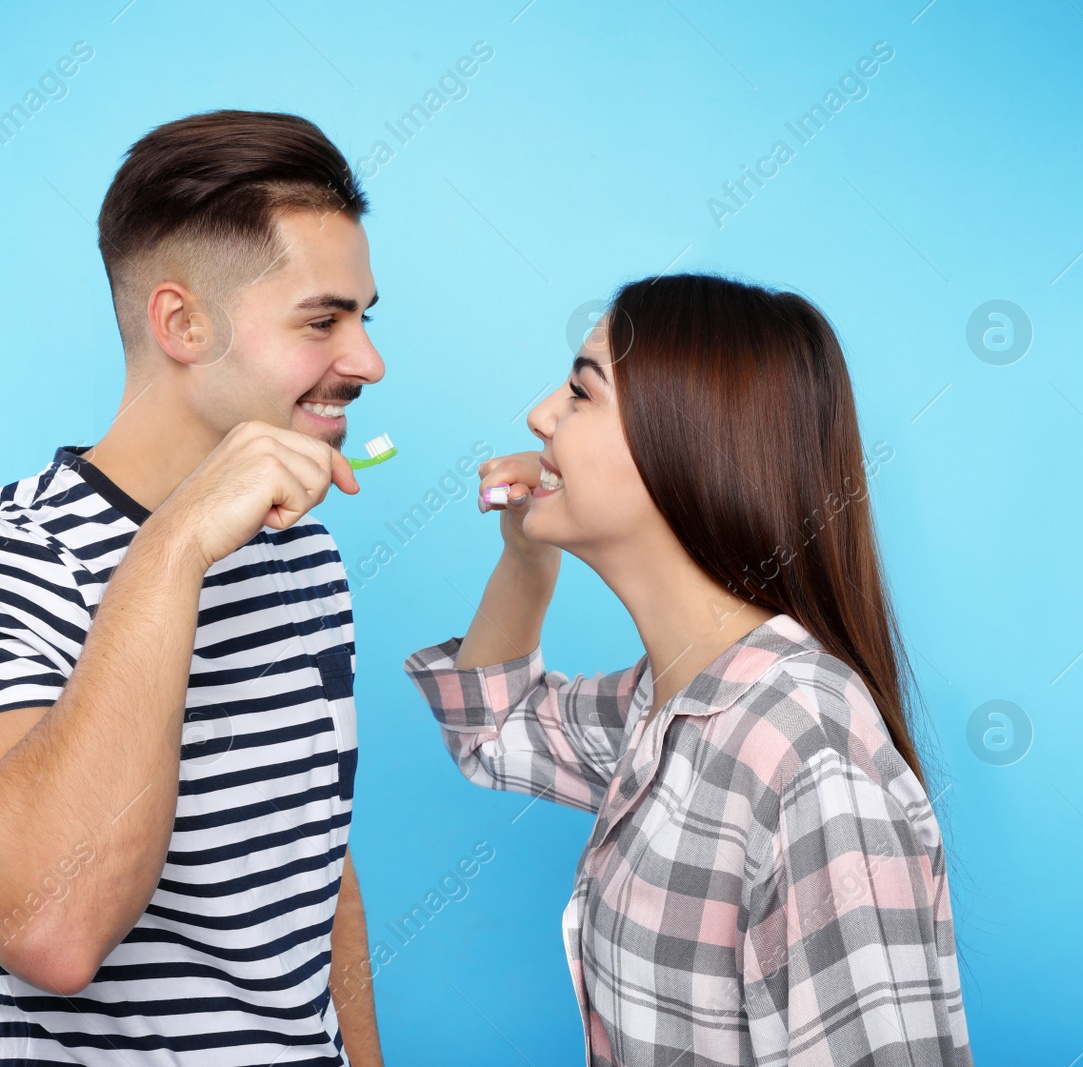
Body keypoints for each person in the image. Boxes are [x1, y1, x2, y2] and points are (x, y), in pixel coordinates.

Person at [0, 110, 385, 1066]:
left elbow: (316, 869)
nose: (367, 361)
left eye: (366, 318)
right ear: (183, 323)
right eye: (324, 320)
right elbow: (51, 933)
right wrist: (173, 551)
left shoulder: (306, 558)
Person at [402, 273, 973, 1066]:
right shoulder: (671, 700)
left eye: (579, 392)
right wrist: (525, 557)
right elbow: (492, 729)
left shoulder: (806, 757)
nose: (539, 415)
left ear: (688, 440)